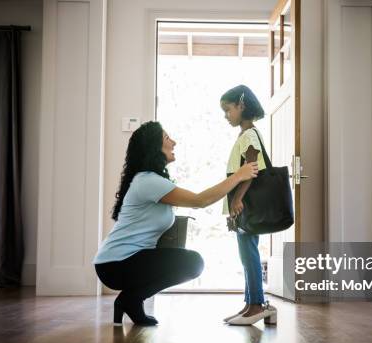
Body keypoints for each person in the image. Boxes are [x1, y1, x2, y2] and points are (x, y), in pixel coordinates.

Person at [93, 121, 258, 326]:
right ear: (154, 147)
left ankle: (131, 301)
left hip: (120, 262)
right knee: (193, 262)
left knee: (187, 260)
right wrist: (239, 175)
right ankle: (130, 299)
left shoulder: (149, 180)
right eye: (167, 138)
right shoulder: (148, 181)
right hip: (116, 265)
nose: (174, 142)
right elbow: (200, 201)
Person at [220, 84, 277, 326]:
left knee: (249, 253)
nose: (226, 115)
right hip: (242, 204)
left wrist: (237, 198)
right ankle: (249, 304)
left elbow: (252, 169)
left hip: (245, 204)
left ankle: (257, 305)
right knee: (246, 253)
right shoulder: (245, 135)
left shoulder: (250, 135)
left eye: (228, 109)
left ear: (241, 105)